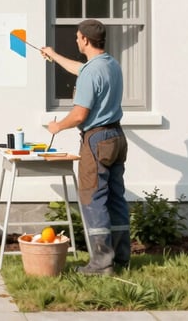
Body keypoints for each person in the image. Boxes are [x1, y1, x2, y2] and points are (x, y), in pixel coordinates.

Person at [41, 19, 129, 276]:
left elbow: (80, 115)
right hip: (117, 136)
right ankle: (121, 258)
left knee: (93, 198)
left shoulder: (91, 72)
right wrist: (53, 55)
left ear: (86, 40)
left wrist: (58, 127)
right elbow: (82, 69)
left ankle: (101, 264)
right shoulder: (110, 64)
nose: (76, 40)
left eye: (78, 37)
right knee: (116, 198)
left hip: (96, 140)